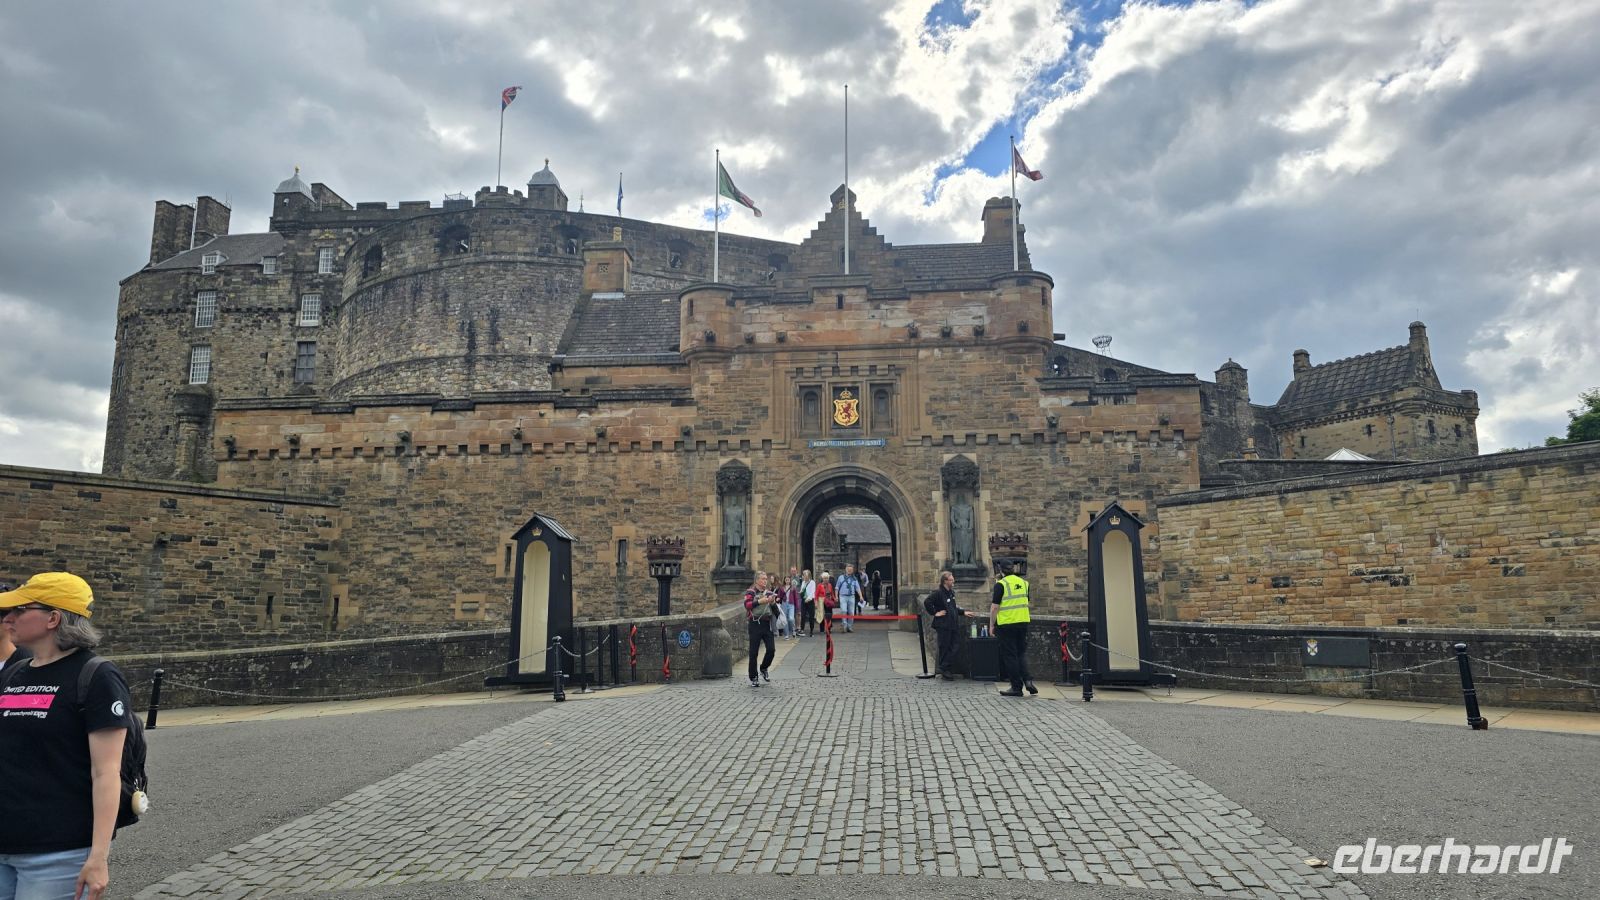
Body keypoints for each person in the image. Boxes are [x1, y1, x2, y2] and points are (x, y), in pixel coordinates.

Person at [0, 572, 134, 900]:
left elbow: (106, 773)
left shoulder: (96, 676)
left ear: (53, 618)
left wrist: (99, 857)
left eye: (18, 610)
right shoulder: (16, 672)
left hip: (57, 854)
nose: (8, 618)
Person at [989, 560, 1036, 697]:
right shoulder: (1024, 583)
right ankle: (1028, 680)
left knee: (1010, 656)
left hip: (1006, 624)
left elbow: (995, 607)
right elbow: (1025, 601)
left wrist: (992, 624)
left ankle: (1016, 687)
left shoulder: (1001, 585)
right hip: (1023, 622)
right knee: (1020, 653)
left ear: (1002, 571)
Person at [923, 570, 974, 679]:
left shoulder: (951, 592)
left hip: (952, 624)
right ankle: (944, 669)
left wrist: (963, 612)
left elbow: (953, 607)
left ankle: (945, 667)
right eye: (951, 580)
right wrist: (935, 613)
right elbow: (927, 602)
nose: (953, 581)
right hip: (943, 625)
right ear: (945, 581)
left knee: (955, 646)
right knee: (944, 647)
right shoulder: (938, 593)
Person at [743, 573, 781, 687]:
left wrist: (773, 603)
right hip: (754, 624)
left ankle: (764, 668)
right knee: (753, 652)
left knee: (771, 649)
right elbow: (747, 605)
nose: (765, 581)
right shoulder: (750, 592)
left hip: (766, 624)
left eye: (766, 579)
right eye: (763, 579)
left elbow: (777, 613)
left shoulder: (769, 593)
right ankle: (753, 677)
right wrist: (760, 601)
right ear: (757, 580)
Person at [836, 564, 861, 632]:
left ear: (852, 570)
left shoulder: (854, 578)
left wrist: (861, 596)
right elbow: (837, 587)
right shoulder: (841, 577)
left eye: (851, 570)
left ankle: (849, 626)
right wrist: (836, 596)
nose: (849, 571)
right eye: (848, 569)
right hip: (843, 596)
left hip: (851, 597)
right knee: (844, 610)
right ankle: (844, 625)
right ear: (846, 570)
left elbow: (857, 588)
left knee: (851, 612)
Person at [799, 570, 817, 637]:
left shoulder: (812, 582)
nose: (805, 577)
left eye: (806, 575)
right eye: (804, 575)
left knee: (811, 617)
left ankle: (811, 631)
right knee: (803, 615)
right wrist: (800, 592)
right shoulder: (803, 582)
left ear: (809, 576)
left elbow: (813, 592)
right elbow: (802, 590)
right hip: (804, 601)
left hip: (810, 601)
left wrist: (808, 599)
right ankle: (802, 630)